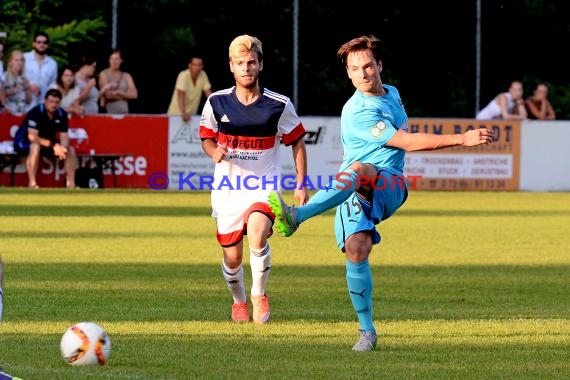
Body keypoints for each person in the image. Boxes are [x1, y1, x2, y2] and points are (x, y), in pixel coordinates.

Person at [268, 35, 494, 351]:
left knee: (361, 169)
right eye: (355, 69)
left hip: (390, 185)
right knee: (357, 249)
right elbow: (409, 141)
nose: (363, 74)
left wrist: (463, 139)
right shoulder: (357, 111)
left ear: (379, 66)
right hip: (351, 189)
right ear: (348, 73)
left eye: (368, 66)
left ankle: (297, 217)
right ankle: (367, 332)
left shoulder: (393, 94)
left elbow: (407, 143)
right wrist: (463, 138)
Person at [199, 34, 308, 324]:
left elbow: (297, 141)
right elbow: (206, 139)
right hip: (227, 191)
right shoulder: (216, 102)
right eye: (240, 63)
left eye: (251, 62)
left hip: (263, 188)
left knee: (258, 233)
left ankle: (259, 295)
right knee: (232, 258)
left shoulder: (278, 104)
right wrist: (214, 151)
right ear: (231, 67)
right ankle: (239, 301)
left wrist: (300, 183)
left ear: (260, 65)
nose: (246, 68)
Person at [13, 88, 78, 188]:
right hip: (24, 142)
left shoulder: (62, 114)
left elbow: (64, 137)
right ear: (45, 101)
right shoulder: (36, 112)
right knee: (35, 146)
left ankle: (71, 185)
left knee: (70, 149)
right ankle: (32, 184)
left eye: (56, 102)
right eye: (51, 101)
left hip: (46, 142)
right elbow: (32, 137)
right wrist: (54, 146)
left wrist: (62, 149)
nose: (53, 105)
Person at [167, 52, 213, 122]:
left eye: (199, 65)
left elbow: (209, 94)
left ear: (202, 66)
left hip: (191, 117)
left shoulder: (203, 75)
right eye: (195, 65)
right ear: (189, 65)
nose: (197, 67)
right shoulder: (183, 75)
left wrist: (216, 110)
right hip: (175, 115)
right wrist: (183, 112)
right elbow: (180, 94)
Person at [23, 31, 58, 112]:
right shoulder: (24, 58)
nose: (41, 45)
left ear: (47, 45)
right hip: (23, 104)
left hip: (43, 107)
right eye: (39, 42)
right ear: (33, 44)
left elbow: (52, 85)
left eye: (44, 42)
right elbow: (15, 77)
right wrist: (29, 85)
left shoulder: (52, 64)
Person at [98, 48, 138, 114]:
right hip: (109, 114)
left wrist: (119, 92)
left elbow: (135, 95)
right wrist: (126, 97)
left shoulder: (126, 75)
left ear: (121, 60)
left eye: (117, 59)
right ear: (109, 60)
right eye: (111, 58)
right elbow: (108, 95)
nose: (114, 61)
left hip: (125, 114)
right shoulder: (104, 73)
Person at [1, 49, 33, 114]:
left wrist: (28, 88)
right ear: (10, 62)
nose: (19, 63)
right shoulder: (4, 77)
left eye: (22, 60)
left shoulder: (24, 78)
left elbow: (29, 101)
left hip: (22, 113)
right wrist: (11, 92)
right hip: (8, 113)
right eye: (16, 60)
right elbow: (1, 94)